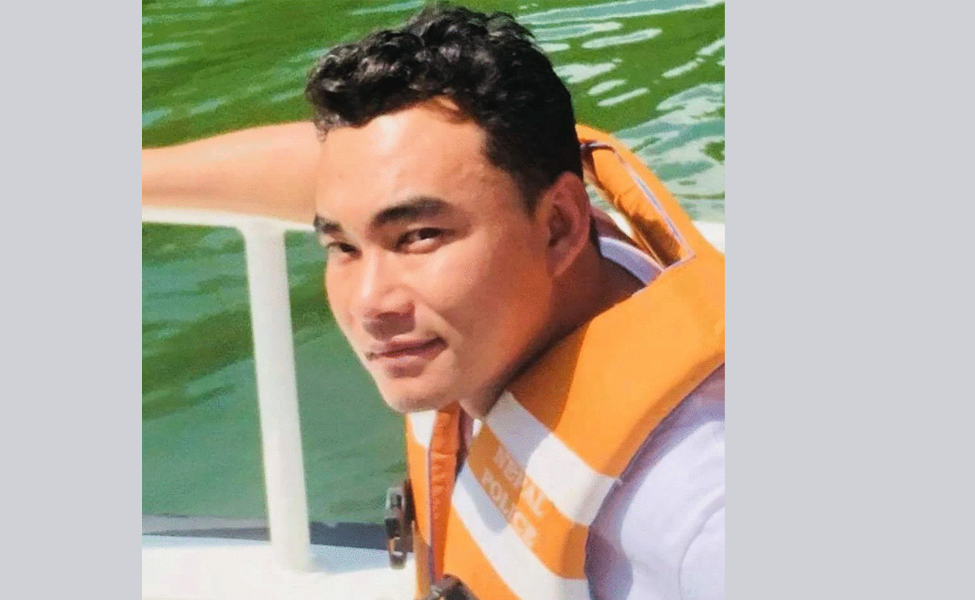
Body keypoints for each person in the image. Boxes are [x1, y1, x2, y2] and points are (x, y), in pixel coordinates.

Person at [143, 5, 724, 600]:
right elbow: (362, 172)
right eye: (342, 246)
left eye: (419, 237)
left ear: (558, 226)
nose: (369, 303)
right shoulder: (536, 221)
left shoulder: (695, 519)